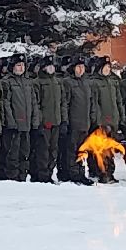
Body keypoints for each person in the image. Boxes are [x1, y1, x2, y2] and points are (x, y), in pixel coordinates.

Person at [0, 55, 38, 181]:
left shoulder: (28, 82)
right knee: (13, 153)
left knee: (25, 152)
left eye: (22, 65)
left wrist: (34, 121)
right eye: (18, 65)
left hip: (26, 125)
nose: (21, 68)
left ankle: (22, 175)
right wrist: (11, 122)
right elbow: (6, 103)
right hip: (15, 125)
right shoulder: (7, 82)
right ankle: (13, 177)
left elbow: (33, 103)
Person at [61, 56, 97, 186]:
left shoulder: (86, 83)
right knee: (72, 150)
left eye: (82, 67)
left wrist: (93, 117)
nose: (81, 69)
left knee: (83, 150)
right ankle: (73, 173)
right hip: (73, 122)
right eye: (78, 67)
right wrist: (65, 121)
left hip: (85, 123)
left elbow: (92, 101)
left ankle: (81, 172)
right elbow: (65, 104)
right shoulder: (68, 82)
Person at [29, 56, 62, 182]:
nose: (51, 68)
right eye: (49, 66)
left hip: (56, 121)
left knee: (53, 150)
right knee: (42, 150)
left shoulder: (57, 82)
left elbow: (62, 102)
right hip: (44, 123)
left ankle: (49, 171)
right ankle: (42, 174)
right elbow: (36, 104)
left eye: (53, 66)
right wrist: (39, 122)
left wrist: (62, 120)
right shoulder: (37, 83)